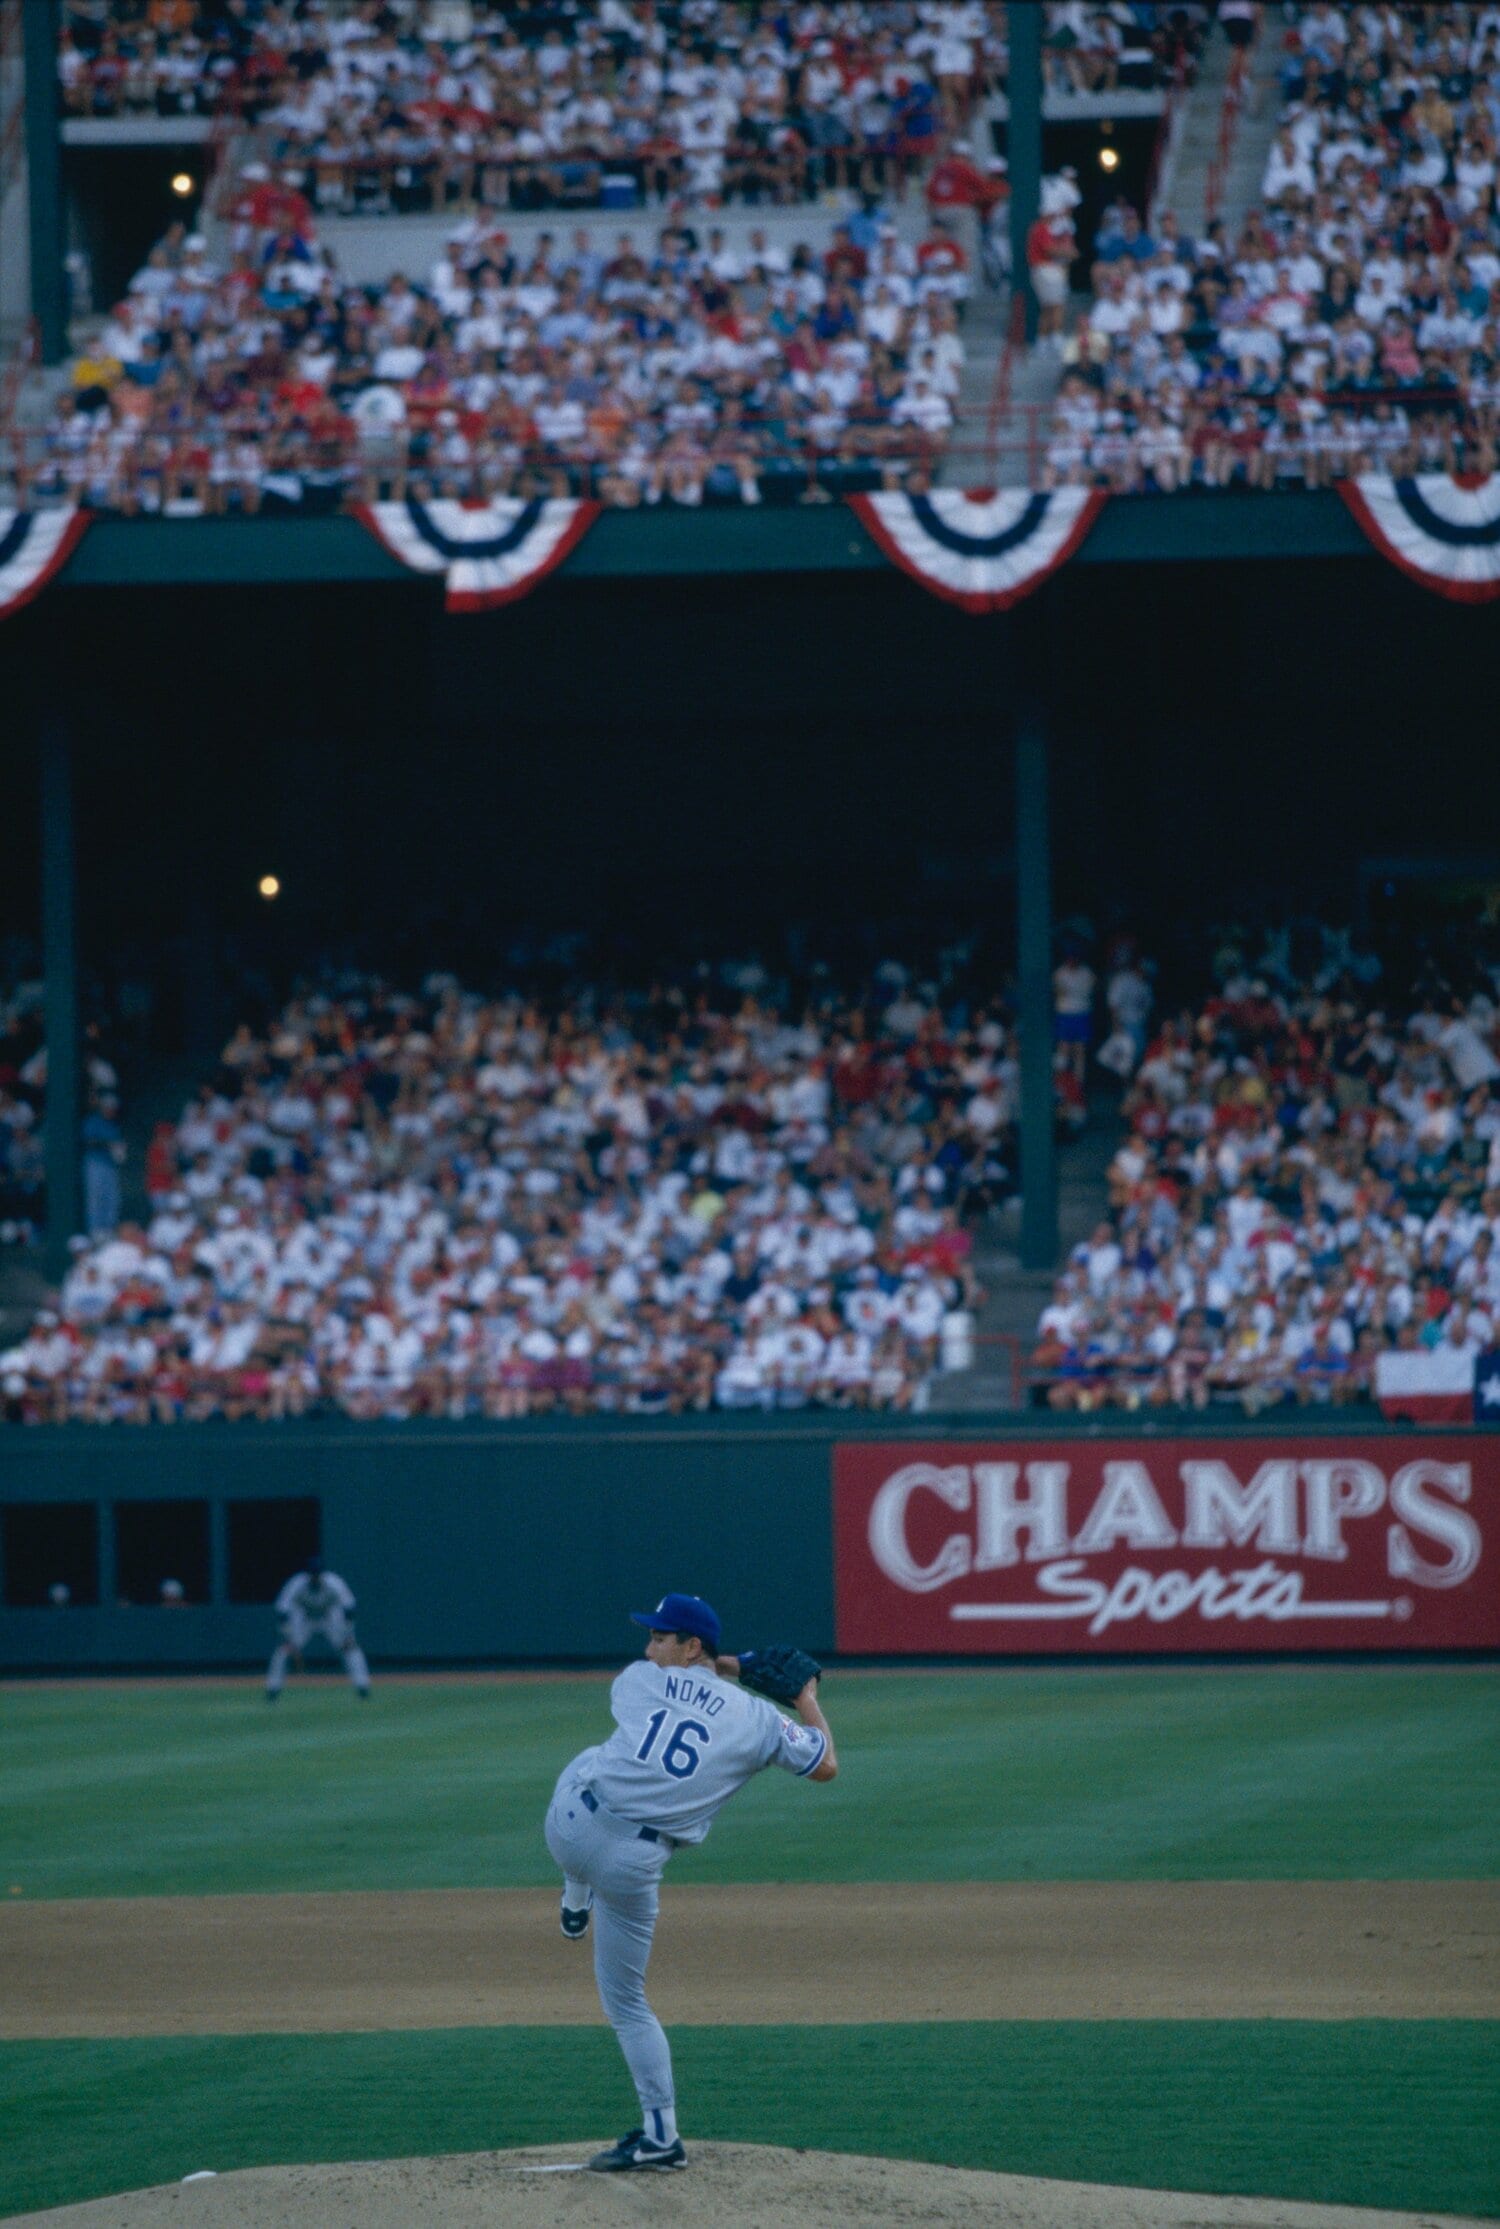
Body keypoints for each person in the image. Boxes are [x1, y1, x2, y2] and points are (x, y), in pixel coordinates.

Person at [544, 1591, 837, 2172]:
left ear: (690, 1645)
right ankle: (660, 2135)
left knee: (588, 1759)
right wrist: (806, 1698)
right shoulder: (759, 1721)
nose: (648, 1647)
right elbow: (826, 1764)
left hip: (571, 1831)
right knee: (628, 2005)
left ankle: (575, 1891)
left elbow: (685, 1690)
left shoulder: (637, 1681)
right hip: (636, 1868)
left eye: (659, 1637)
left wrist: (726, 1665)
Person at [265, 1556, 371, 1700]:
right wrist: (289, 1640)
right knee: (282, 1652)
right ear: (307, 1574)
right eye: (312, 1573)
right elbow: (283, 1612)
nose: (314, 1577)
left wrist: (348, 1636)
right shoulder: (296, 1583)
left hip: (330, 1616)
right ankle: (273, 1690)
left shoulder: (334, 1582)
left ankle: (362, 1687)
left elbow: (349, 1609)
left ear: (322, 1573)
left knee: (351, 1649)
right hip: (304, 1618)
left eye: (317, 1573)